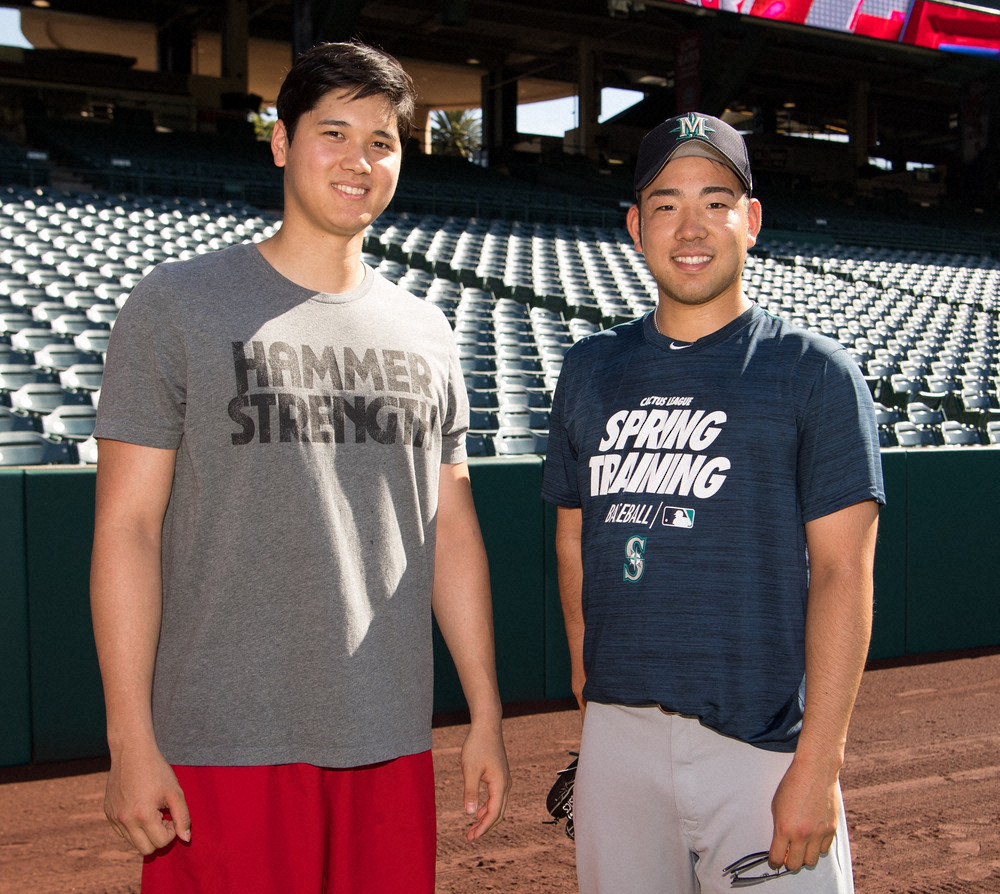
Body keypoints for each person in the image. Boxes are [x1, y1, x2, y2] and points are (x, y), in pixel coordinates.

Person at [90, 41, 510, 894]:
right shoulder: (176, 302)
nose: (358, 161)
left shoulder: (428, 331)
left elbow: (450, 529)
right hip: (220, 740)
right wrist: (130, 738)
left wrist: (487, 714)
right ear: (281, 142)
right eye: (334, 132)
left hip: (386, 736)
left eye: (382, 141)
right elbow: (127, 530)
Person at [541, 112, 884, 894]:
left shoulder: (815, 373)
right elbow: (572, 537)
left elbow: (842, 575)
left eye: (716, 200)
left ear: (751, 219)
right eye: (665, 204)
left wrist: (818, 765)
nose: (690, 226)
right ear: (635, 226)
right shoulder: (591, 369)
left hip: (760, 749)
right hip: (620, 738)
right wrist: (589, 695)